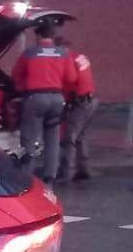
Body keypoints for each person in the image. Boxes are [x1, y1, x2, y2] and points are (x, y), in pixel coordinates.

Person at [13, 22, 75, 182]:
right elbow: (71, 78)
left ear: (38, 35)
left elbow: (15, 75)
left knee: (30, 137)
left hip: (35, 98)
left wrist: (22, 89)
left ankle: (27, 175)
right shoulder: (63, 54)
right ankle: (50, 175)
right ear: (53, 36)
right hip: (56, 99)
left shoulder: (30, 53)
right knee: (53, 138)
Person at [56, 34, 97, 183]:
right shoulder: (79, 56)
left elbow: (70, 80)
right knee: (80, 137)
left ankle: (67, 173)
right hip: (90, 100)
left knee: (69, 138)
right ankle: (84, 169)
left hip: (80, 103)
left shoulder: (66, 59)